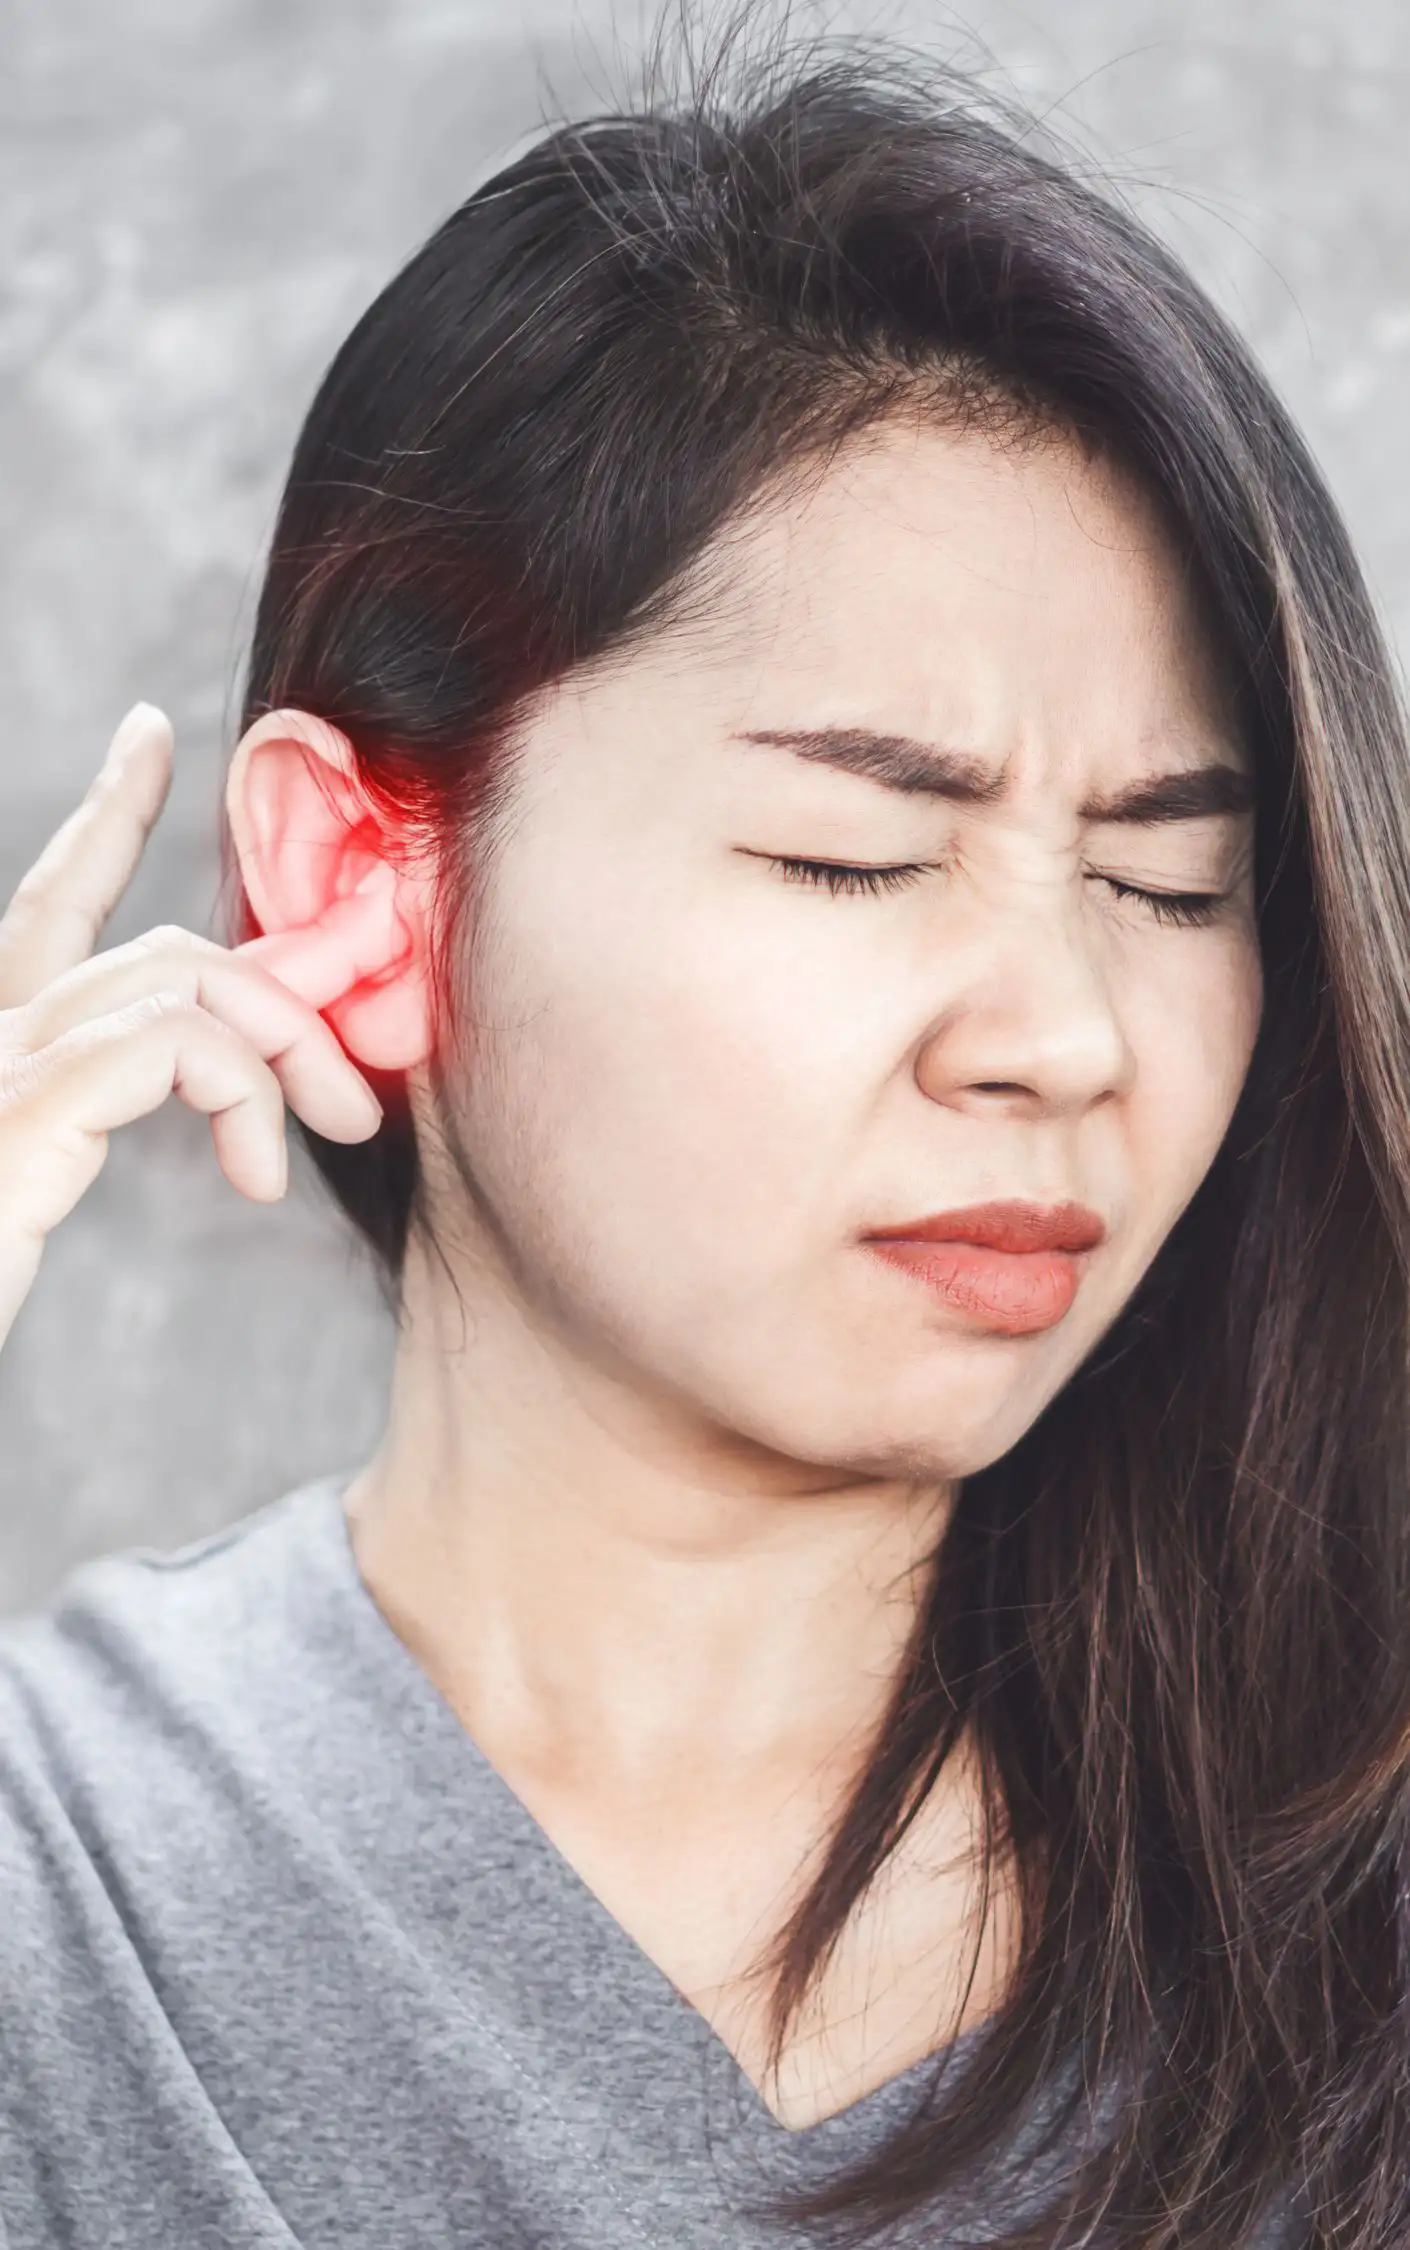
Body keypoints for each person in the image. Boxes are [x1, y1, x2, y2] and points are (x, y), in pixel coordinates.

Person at [0, 18, 1404, 2249]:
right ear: (364, 874)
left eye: (1169, 888)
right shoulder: (59, 1878)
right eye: (859, 855)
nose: (1064, 1036)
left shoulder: (1344, 1898)